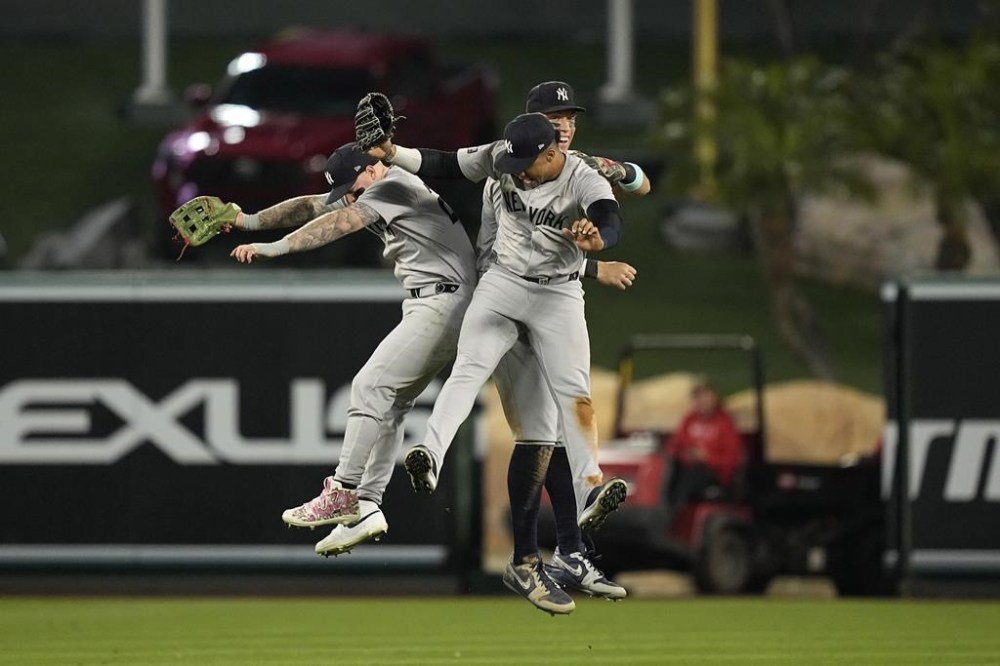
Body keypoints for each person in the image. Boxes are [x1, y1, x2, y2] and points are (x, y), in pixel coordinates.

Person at [363, 109, 630, 615]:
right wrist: (392, 154)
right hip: (503, 283)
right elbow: (442, 163)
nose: (519, 171)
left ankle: (592, 489)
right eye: (515, 160)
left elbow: (611, 216)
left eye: (530, 162)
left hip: (558, 295)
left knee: (575, 397)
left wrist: (600, 241)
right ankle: (431, 454)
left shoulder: (582, 176)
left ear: (554, 152)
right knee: (468, 369)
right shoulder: (504, 156)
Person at [228, 142, 478, 557]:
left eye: (353, 183)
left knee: (368, 388)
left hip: (444, 300)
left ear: (374, 168)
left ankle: (343, 490)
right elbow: (313, 207)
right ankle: (366, 508)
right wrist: (248, 220)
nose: (349, 193)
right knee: (392, 404)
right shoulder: (373, 186)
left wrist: (273, 249)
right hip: (436, 298)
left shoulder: (394, 186)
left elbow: (340, 223)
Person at [483, 81, 649, 605]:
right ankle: (531, 556)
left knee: (551, 431)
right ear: (531, 123)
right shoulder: (509, 169)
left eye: (570, 116)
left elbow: (640, 185)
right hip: (509, 301)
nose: (565, 123)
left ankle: (570, 551)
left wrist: (618, 170)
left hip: (549, 306)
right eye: (554, 116)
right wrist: (596, 266)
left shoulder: (577, 169)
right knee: (540, 434)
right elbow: (521, 250)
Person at [664, 378, 744, 517]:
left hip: (713, 472)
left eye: (706, 397)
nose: (702, 402)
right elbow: (674, 445)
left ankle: (675, 517)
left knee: (688, 478)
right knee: (666, 472)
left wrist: (707, 458)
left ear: (714, 398)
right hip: (687, 466)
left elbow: (732, 459)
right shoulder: (689, 419)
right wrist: (684, 454)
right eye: (698, 397)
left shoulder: (724, 423)